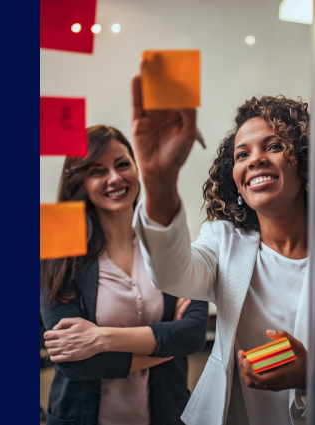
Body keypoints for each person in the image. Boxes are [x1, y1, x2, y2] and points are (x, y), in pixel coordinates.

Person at [129, 75, 315, 425]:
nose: (255, 159)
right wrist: (159, 178)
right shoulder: (222, 241)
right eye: (243, 154)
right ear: (236, 180)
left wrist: (309, 378)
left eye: (272, 146)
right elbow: (171, 274)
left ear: (306, 163)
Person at [40, 125, 209, 425]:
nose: (114, 178)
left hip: (164, 415)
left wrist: (99, 338)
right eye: (97, 171)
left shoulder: (165, 245)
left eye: (122, 164)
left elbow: (194, 333)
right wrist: (166, 346)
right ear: (80, 182)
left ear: (136, 167)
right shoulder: (57, 255)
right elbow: (75, 364)